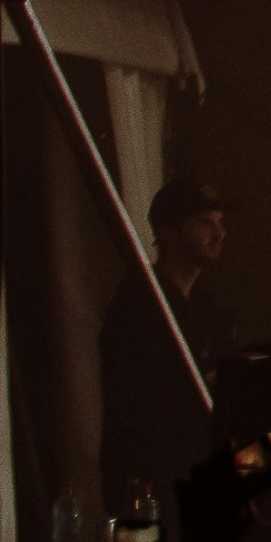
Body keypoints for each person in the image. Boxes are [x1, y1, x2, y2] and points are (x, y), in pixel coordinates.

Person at [96, 174, 236, 512]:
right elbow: (140, 397)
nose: (218, 234)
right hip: (152, 478)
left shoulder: (207, 308)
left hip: (199, 475)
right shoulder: (138, 301)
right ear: (168, 232)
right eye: (204, 223)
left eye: (220, 223)